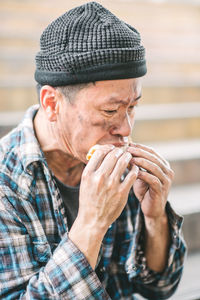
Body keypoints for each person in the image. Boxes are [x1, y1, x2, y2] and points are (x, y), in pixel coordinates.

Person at [0, 2, 186, 299]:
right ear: (51, 103)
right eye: (110, 110)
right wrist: (92, 223)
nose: (125, 129)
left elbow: (160, 288)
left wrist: (155, 220)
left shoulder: (116, 164)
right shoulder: (7, 184)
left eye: (133, 106)